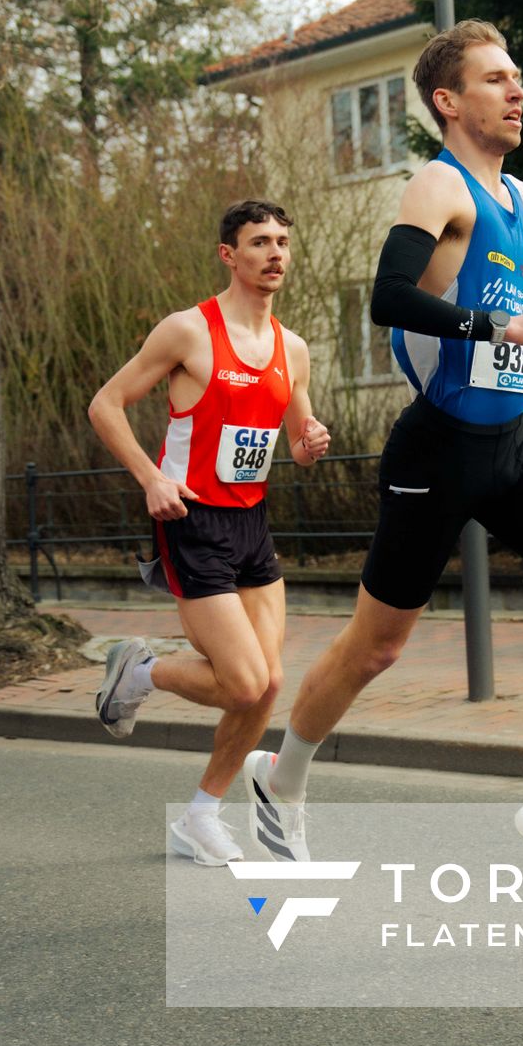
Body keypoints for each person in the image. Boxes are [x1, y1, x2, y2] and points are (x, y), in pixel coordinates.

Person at [241, 20, 523, 888]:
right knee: (376, 647)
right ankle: (281, 783)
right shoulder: (439, 182)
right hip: (435, 451)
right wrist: (511, 327)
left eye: (518, 75)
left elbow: (479, 320)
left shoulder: (522, 200)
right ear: (448, 100)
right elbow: (391, 302)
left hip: (508, 443)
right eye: (496, 78)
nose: (517, 91)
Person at [88, 201, 330, 864]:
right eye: (260, 242)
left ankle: (200, 815)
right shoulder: (188, 332)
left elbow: (297, 437)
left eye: (283, 241)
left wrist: (309, 443)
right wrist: (149, 478)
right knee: (246, 682)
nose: (275, 252)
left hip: (252, 522)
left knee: (268, 683)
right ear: (230, 255)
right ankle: (140, 670)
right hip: (190, 517)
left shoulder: (294, 348)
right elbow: (104, 405)